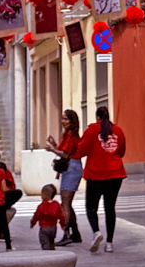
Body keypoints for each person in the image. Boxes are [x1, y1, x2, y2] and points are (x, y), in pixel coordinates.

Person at [76, 105, 127, 253]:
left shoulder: (91, 130)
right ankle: (109, 243)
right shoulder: (118, 130)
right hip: (115, 173)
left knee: (91, 207)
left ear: (97, 117)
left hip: (95, 174)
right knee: (110, 208)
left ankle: (96, 232)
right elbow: (122, 151)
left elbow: (82, 150)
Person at [46, 109, 83, 244]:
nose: (63, 121)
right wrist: (54, 145)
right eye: (62, 118)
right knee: (67, 203)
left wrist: (52, 149)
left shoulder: (72, 135)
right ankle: (75, 233)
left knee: (65, 203)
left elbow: (66, 154)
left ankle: (66, 233)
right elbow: (63, 150)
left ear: (72, 121)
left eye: (66, 119)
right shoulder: (68, 134)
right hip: (71, 168)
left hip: (71, 168)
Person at [31, 185, 63, 250]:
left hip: (44, 227)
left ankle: (47, 253)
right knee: (51, 241)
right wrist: (63, 224)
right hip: (53, 227)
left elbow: (37, 215)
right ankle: (52, 249)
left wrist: (33, 222)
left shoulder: (42, 206)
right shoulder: (56, 204)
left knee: (45, 242)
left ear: (44, 195)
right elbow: (61, 215)